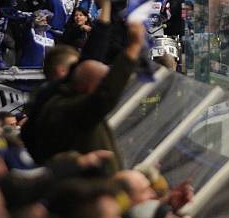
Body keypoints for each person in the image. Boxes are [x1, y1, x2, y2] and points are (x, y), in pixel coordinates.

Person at [30, 22, 145, 173]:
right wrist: (133, 48)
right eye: (103, 83)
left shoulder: (66, 103)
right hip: (84, 189)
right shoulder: (66, 108)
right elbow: (105, 96)